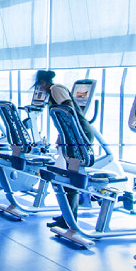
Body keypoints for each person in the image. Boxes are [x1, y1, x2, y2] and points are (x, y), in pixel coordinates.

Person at [34, 70, 94, 230]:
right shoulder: (53, 92)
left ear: (43, 82)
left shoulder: (56, 89)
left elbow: (68, 110)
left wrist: (66, 134)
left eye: (39, 84)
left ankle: (70, 219)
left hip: (78, 135)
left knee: (73, 175)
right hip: (71, 135)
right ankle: (67, 216)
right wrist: (62, 134)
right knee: (69, 175)